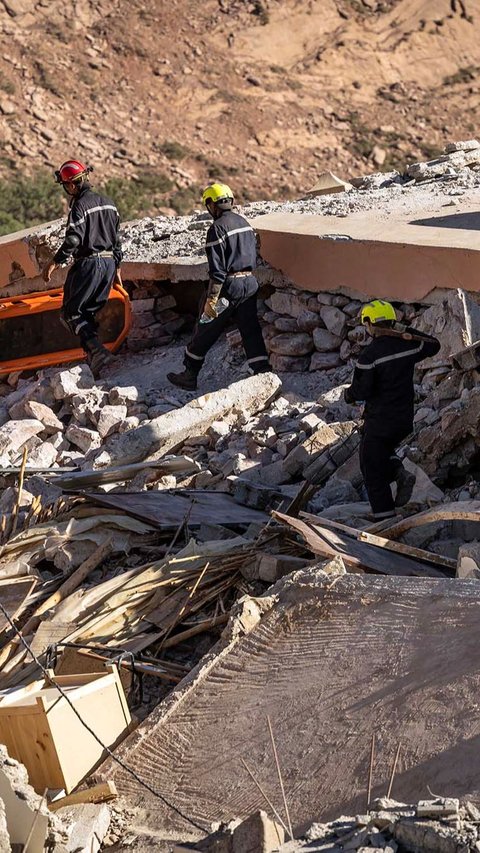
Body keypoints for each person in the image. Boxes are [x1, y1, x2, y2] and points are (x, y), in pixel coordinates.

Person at [167, 182, 270, 391]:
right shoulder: (244, 223)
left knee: (205, 328)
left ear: (211, 205)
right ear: (230, 201)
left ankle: (190, 374)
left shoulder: (217, 229)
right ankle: (262, 373)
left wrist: (211, 299)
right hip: (249, 284)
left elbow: (217, 270)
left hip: (228, 288)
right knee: (250, 329)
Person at [344, 299, 440, 520]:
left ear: (370, 325)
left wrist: (348, 395)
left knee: (371, 466)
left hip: (380, 419)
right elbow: (434, 344)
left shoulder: (370, 355)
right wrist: (405, 331)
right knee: (380, 452)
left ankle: (384, 518)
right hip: (404, 417)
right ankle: (399, 472)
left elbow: (361, 390)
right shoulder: (409, 345)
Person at [42, 160, 123, 377]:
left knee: (71, 313)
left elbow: (74, 240)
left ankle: (98, 352)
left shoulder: (80, 206)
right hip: (108, 264)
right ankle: (94, 359)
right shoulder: (109, 203)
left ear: (70, 185)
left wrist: (54, 261)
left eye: (65, 186)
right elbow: (117, 241)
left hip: (89, 264)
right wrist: (117, 268)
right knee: (88, 313)